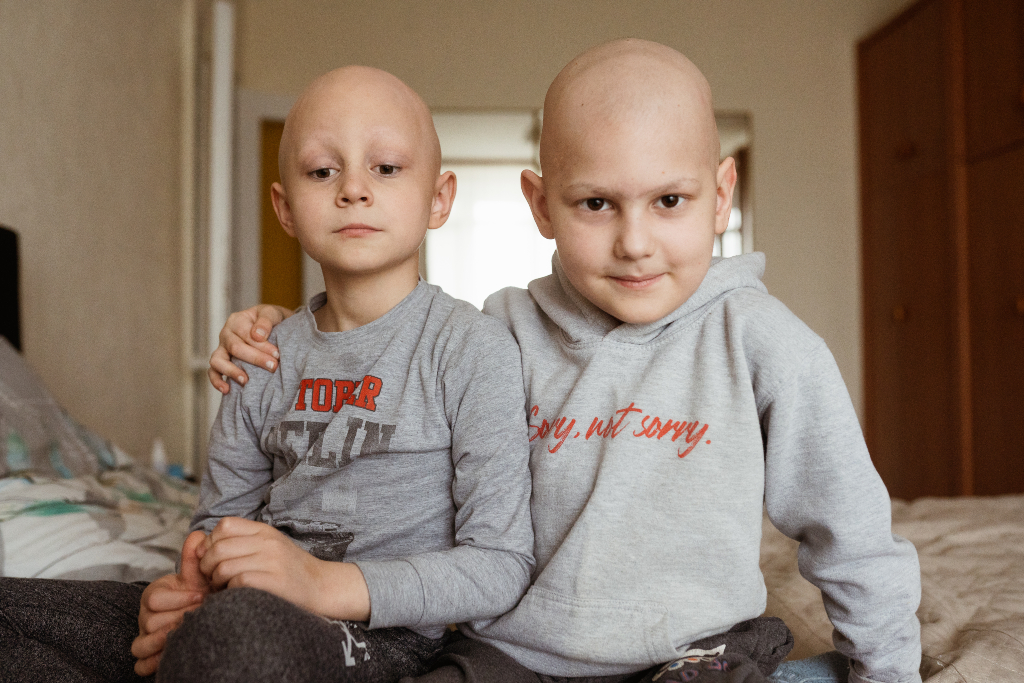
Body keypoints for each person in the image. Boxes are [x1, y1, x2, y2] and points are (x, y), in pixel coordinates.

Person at [210, 40, 923, 683]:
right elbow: (390, 353)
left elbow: (852, 532)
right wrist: (280, 330)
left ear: (721, 196)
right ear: (541, 203)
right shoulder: (500, 330)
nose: (635, 241)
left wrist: (887, 672)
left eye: (670, 199)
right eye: (596, 204)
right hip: (511, 649)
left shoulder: (763, 340)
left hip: (692, 648)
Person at [0, 66, 534, 683]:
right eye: (321, 171)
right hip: (243, 612)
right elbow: (215, 524)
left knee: (236, 638)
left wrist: (317, 584)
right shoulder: (260, 353)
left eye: (386, 167)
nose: (353, 189)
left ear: (439, 199)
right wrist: (187, 593)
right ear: (285, 207)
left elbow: (499, 565)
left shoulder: (472, 349)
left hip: (379, 639)